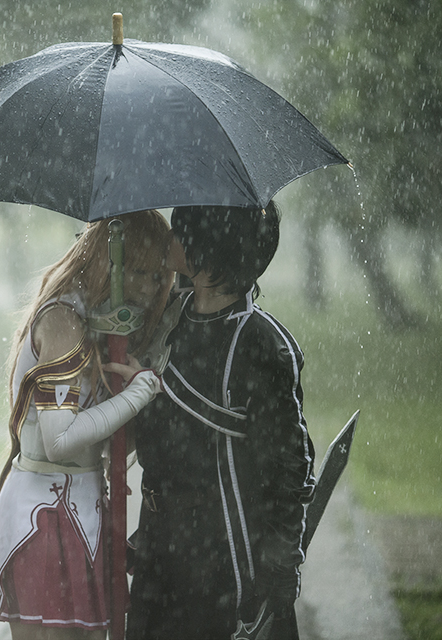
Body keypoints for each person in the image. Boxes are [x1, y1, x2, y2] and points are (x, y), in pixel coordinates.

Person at [0, 209, 175, 639]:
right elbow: (59, 441)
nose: (152, 289)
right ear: (108, 262)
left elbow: (108, 443)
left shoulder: (103, 323)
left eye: (158, 276)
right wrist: (139, 393)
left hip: (81, 512)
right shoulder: (64, 320)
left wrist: (143, 388)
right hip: (44, 517)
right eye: (139, 272)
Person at [127, 202, 316, 640]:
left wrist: (280, 568)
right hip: (158, 545)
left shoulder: (261, 344)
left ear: (206, 249)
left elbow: (290, 468)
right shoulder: (167, 317)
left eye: (179, 231)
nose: (169, 240)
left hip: (221, 557)